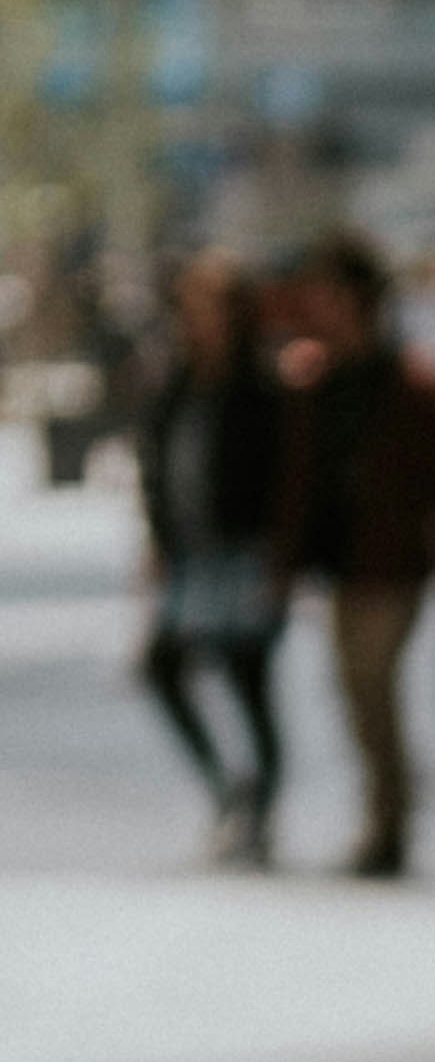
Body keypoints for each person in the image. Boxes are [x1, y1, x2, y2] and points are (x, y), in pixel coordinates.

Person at [269, 233, 435, 877]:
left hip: (391, 563)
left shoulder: (410, 382)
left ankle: (390, 821)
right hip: (338, 561)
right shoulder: (312, 380)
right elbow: (296, 479)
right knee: (353, 690)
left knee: (372, 683)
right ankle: (385, 811)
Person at [133, 246, 287, 863]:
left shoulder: (261, 386)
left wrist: (281, 556)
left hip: (245, 553)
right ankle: (228, 790)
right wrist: (157, 538)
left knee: (251, 684)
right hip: (191, 553)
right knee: (162, 668)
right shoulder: (177, 381)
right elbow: (156, 464)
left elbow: (282, 477)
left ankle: (259, 808)